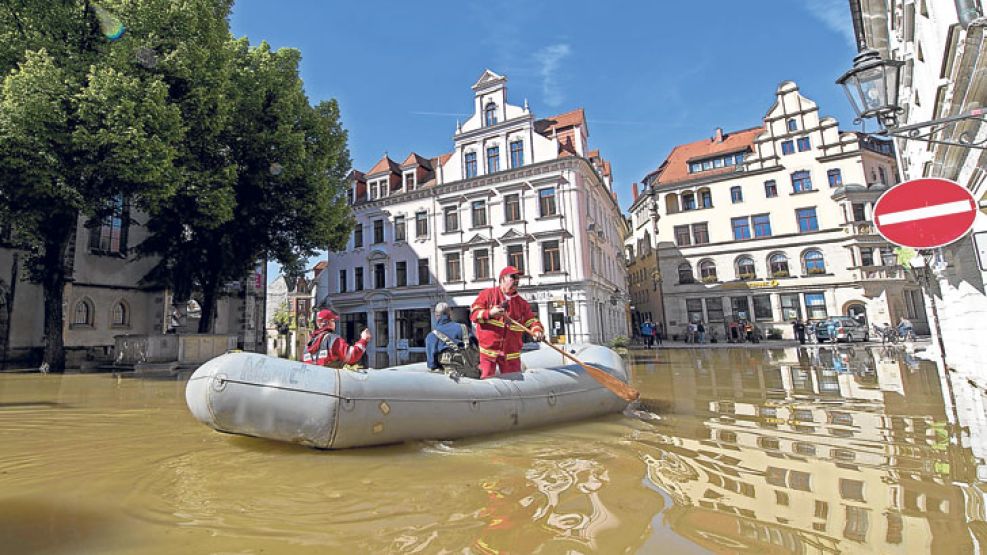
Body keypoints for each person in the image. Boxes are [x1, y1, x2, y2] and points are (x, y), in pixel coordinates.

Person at [470, 266, 545, 378]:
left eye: (518, 278)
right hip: (488, 353)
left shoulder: (521, 303)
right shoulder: (487, 295)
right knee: (485, 382)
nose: (516, 281)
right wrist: (490, 313)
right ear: (502, 279)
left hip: (511, 355)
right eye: (513, 277)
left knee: (515, 385)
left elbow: (532, 321)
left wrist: (537, 331)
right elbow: (474, 315)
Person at [302, 308, 371, 367]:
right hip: (331, 381)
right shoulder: (333, 340)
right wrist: (364, 339)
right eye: (333, 321)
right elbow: (352, 356)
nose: (335, 324)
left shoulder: (308, 345)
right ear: (328, 322)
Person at [426, 302, 479, 377]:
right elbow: (476, 347)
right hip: (471, 373)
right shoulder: (464, 328)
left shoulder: (432, 336)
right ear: (450, 314)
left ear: (436, 315)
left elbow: (431, 365)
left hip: (449, 377)